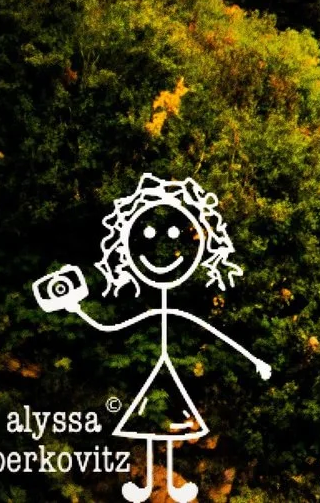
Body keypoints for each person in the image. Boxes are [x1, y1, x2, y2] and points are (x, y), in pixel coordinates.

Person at [32, 173, 271, 503]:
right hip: (158, 372)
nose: (160, 249)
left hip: (166, 371)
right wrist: (76, 307)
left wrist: (255, 360)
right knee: (151, 427)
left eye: (176, 234)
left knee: (166, 425)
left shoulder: (176, 309)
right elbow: (111, 328)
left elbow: (213, 331)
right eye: (144, 232)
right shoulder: (150, 308)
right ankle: (148, 487)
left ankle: (172, 487)